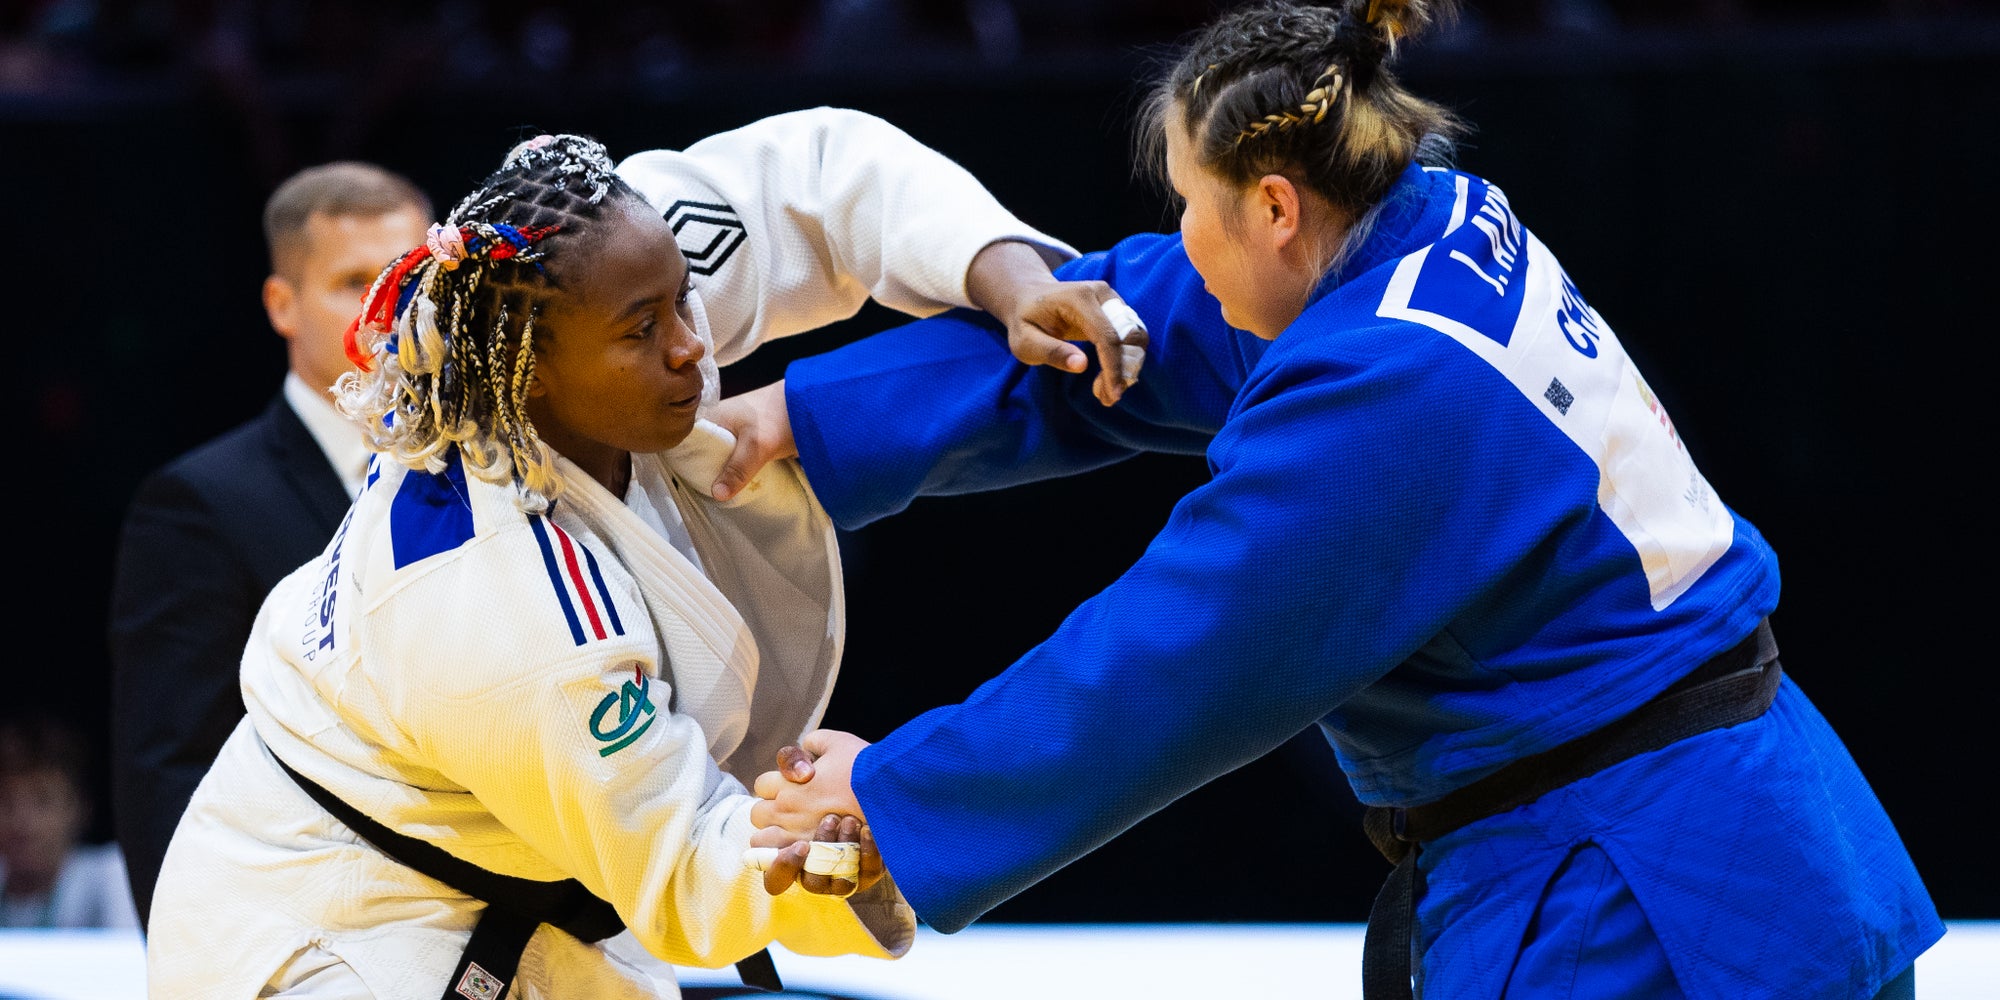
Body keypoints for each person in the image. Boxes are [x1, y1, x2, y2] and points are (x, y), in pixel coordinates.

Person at [725, 4, 1944, 998]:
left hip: (1639, 901)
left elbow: (1175, 656)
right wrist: (811, 414)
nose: (1179, 234)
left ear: (1270, 206)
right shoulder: (1422, 222)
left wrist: (890, 793)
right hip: (1727, 835)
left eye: (1191, 202)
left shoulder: (1391, 396)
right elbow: (1127, 322)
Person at [144, 108, 1123, 999]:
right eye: (643, 330)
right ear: (533, 373)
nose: (692, 347)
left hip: (510, 874)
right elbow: (691, 870)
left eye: (682, 303)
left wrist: (1011, 276)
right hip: (343, 930)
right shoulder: (512, 598)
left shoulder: (572, 262)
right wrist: (855, 840)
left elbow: (824, 178)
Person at [107, 161, 431, 930]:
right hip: (305, 938)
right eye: (357, 283)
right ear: (283, 304)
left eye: (412, 280)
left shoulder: (498, 476)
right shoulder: (201, 504)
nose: (390, 312)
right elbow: (167, 773)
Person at [0, 713, 141, 930]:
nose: (22, 821)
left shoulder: (107, 877)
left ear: (80, 808)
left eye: (42, 801)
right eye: (6, 802)